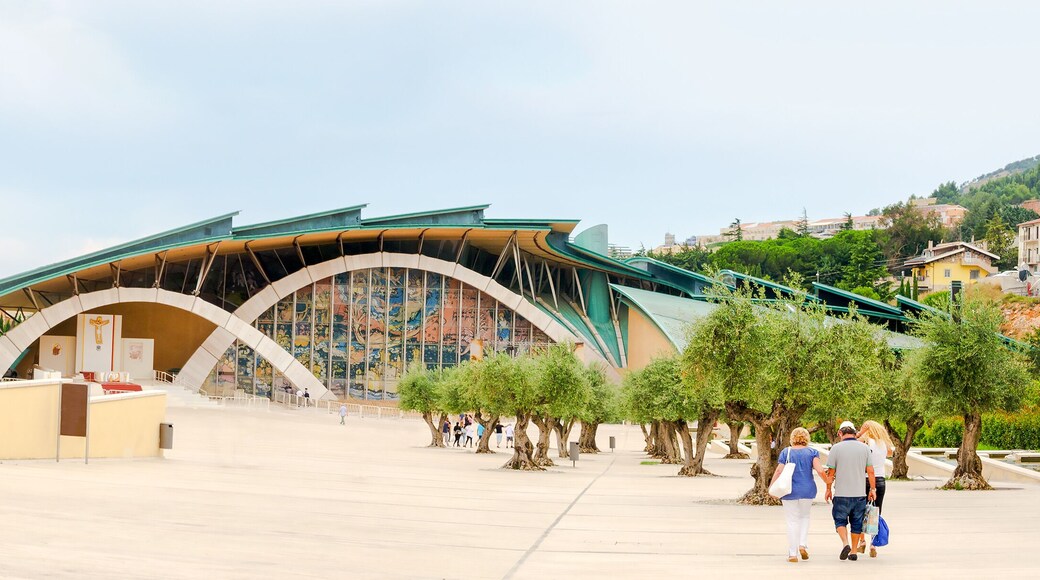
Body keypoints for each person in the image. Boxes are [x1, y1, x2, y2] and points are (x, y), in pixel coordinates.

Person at [769, 427, 831, 563]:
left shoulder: (786, 452)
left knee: (792, 521)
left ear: (793, 438)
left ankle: (792, 554)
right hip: (807, 490)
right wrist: (827, 481)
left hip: (789, 490)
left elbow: (779, 471)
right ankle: (802, 544)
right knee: (804, 517)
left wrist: (772, 487)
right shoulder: (812, 452)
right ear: (806, 438)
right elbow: (820, 470)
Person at [824, 421, 877, 562]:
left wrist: (828, 489)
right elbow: (871, 471)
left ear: (841, 433)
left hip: (841, 493)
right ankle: (853, 551)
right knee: (857, 523)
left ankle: (845, 543)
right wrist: (873, 489)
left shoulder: (836, 448)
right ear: (855, 433)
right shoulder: (865, 448)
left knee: (840, 520)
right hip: (859, 494)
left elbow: (831, 472)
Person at [858, 420, 894, 558]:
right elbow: (890, 453)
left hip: (864, 478)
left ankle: (861, 541)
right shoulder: (883, 444)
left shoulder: (865, 443)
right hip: (880, 480)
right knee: (876, 511)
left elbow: (850, 443)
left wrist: (861, 433)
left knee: (859, 511)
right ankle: (873, 543)